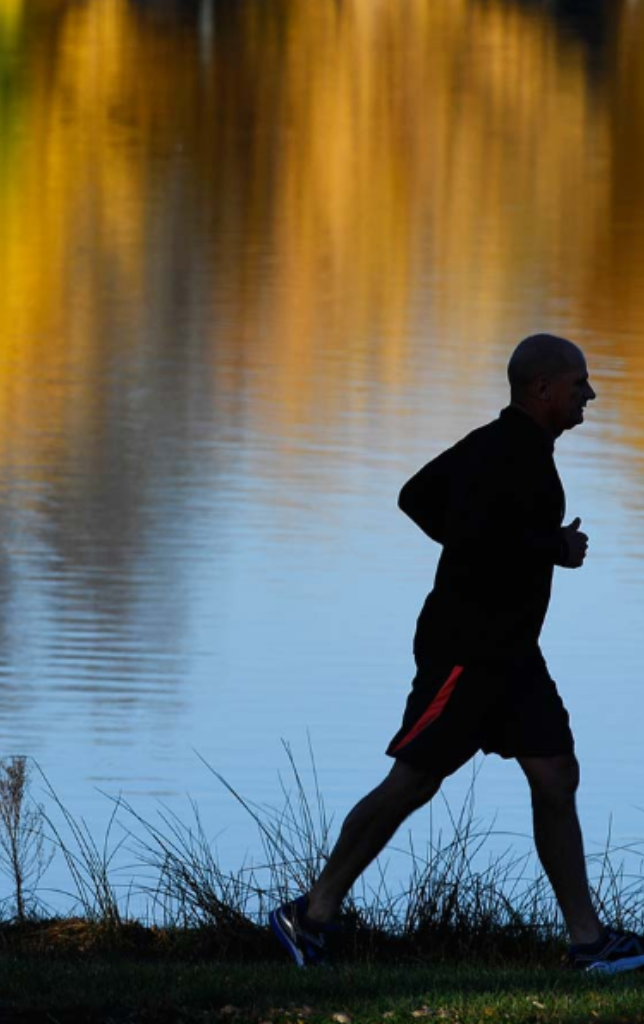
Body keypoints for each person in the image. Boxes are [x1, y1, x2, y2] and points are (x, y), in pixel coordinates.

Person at [271, 334, 644, 974]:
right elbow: (442, 515)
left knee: (555, 774)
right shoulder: (501, 451)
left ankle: (588, 943)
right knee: (414, 781)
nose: (590, 394)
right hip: (466, 650)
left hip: (513, 655)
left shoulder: (514, 448)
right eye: (580, 382)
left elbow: (429, 503)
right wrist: (545, 547)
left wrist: (532, 542)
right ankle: (308, 917)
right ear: (544, 389)